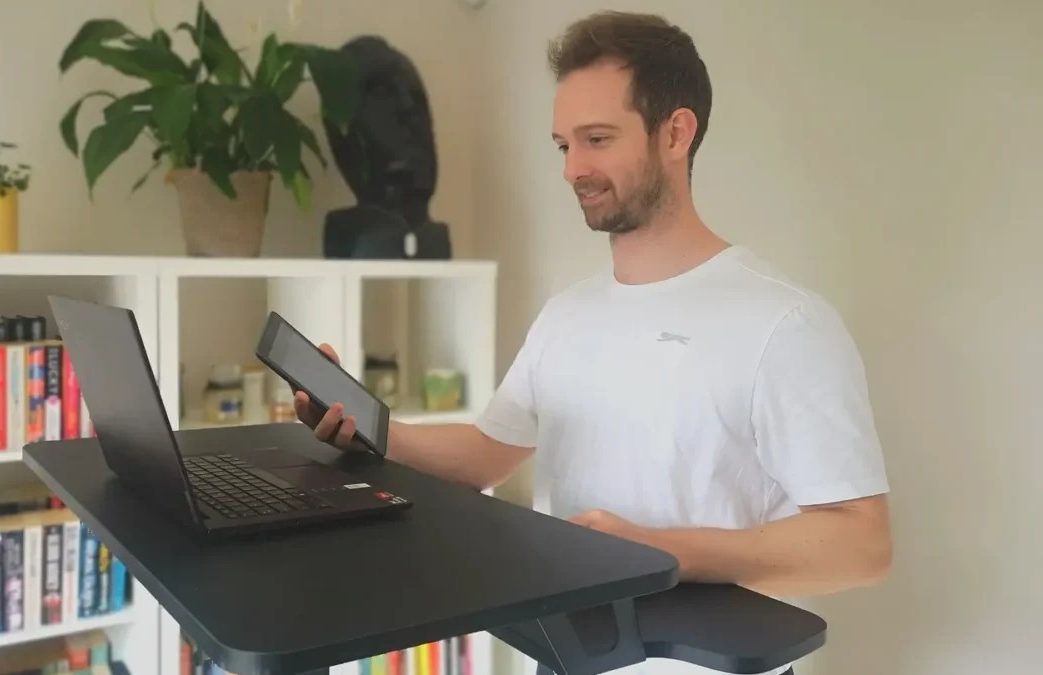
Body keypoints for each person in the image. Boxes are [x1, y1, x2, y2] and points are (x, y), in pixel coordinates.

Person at [294, 11, 892, 675]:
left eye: (597, 139)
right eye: (563, 145)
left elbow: (860, 542)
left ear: (676, 132)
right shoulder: (566, 314)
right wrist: (373, 431)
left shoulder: (786, 322)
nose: (574, 167)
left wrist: (659, 553)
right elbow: (490, 455)